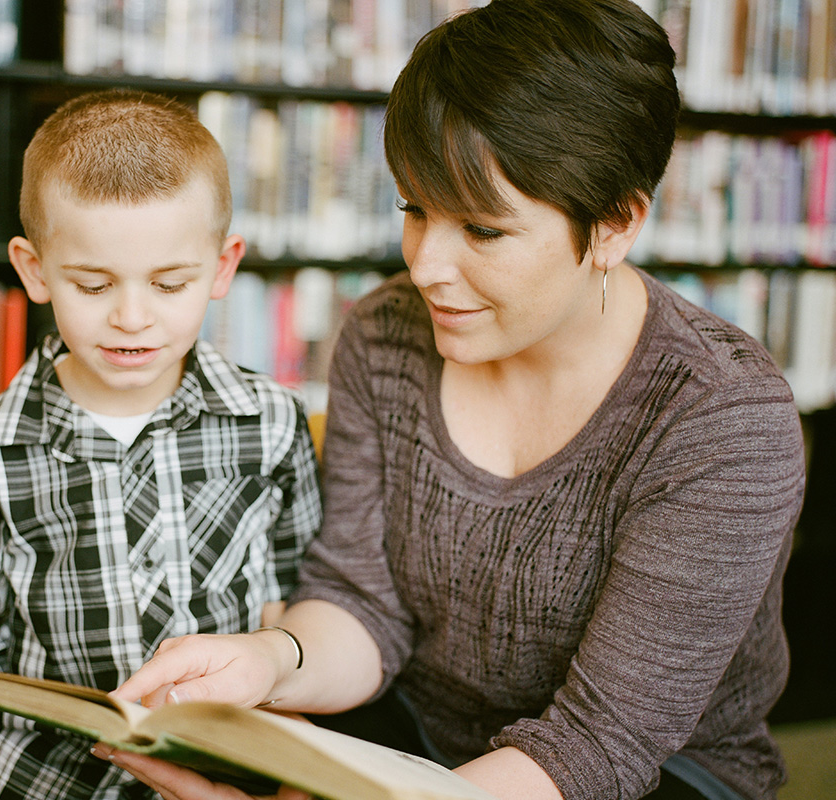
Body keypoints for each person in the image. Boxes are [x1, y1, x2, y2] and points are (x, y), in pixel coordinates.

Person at [98, 2, 806, 800]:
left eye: (482, 231)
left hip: (654, 775)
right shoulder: (385, 333)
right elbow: (363, 604)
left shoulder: (721, 417)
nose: (427, 265)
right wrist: (269, 663)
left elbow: (603, 744)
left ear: (614, 225)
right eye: (415, 209)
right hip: (413, 739)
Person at [0, 89, 323, 800]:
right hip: (41, 781)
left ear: (222, 268)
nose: (131, 317)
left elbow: (294, 617)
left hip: (225, 778)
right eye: (92, 285)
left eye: (169, 283)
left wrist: (294, 789)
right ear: (34, 271)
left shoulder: (272, 423)